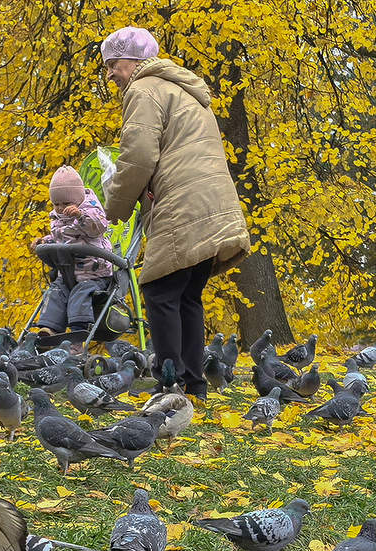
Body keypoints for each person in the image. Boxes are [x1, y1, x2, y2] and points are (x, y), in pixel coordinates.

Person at [100, 26, 250, 398]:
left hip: (183, 203)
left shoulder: (143, 89)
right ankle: (194, 384)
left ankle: (172, 383)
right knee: (186, 295)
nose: (110, 75)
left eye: (112, 65)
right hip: (211, 202)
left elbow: (138, 157)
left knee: (158, 289)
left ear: (132, 61)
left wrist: (114, 207)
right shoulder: (184, 90)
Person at [33, 165, 114, 337]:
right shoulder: (57, 218)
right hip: (68, 272)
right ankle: (49, 328)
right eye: (57, 204)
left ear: (78, 200)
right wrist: (44, 242)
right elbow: (58, 239)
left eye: (66, 203)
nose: (61, 208)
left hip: (93, 273)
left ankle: (79, 329)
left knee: (80, 293)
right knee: (55, 291)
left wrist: (79, 216)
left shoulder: (91, 211)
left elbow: (99, 227)